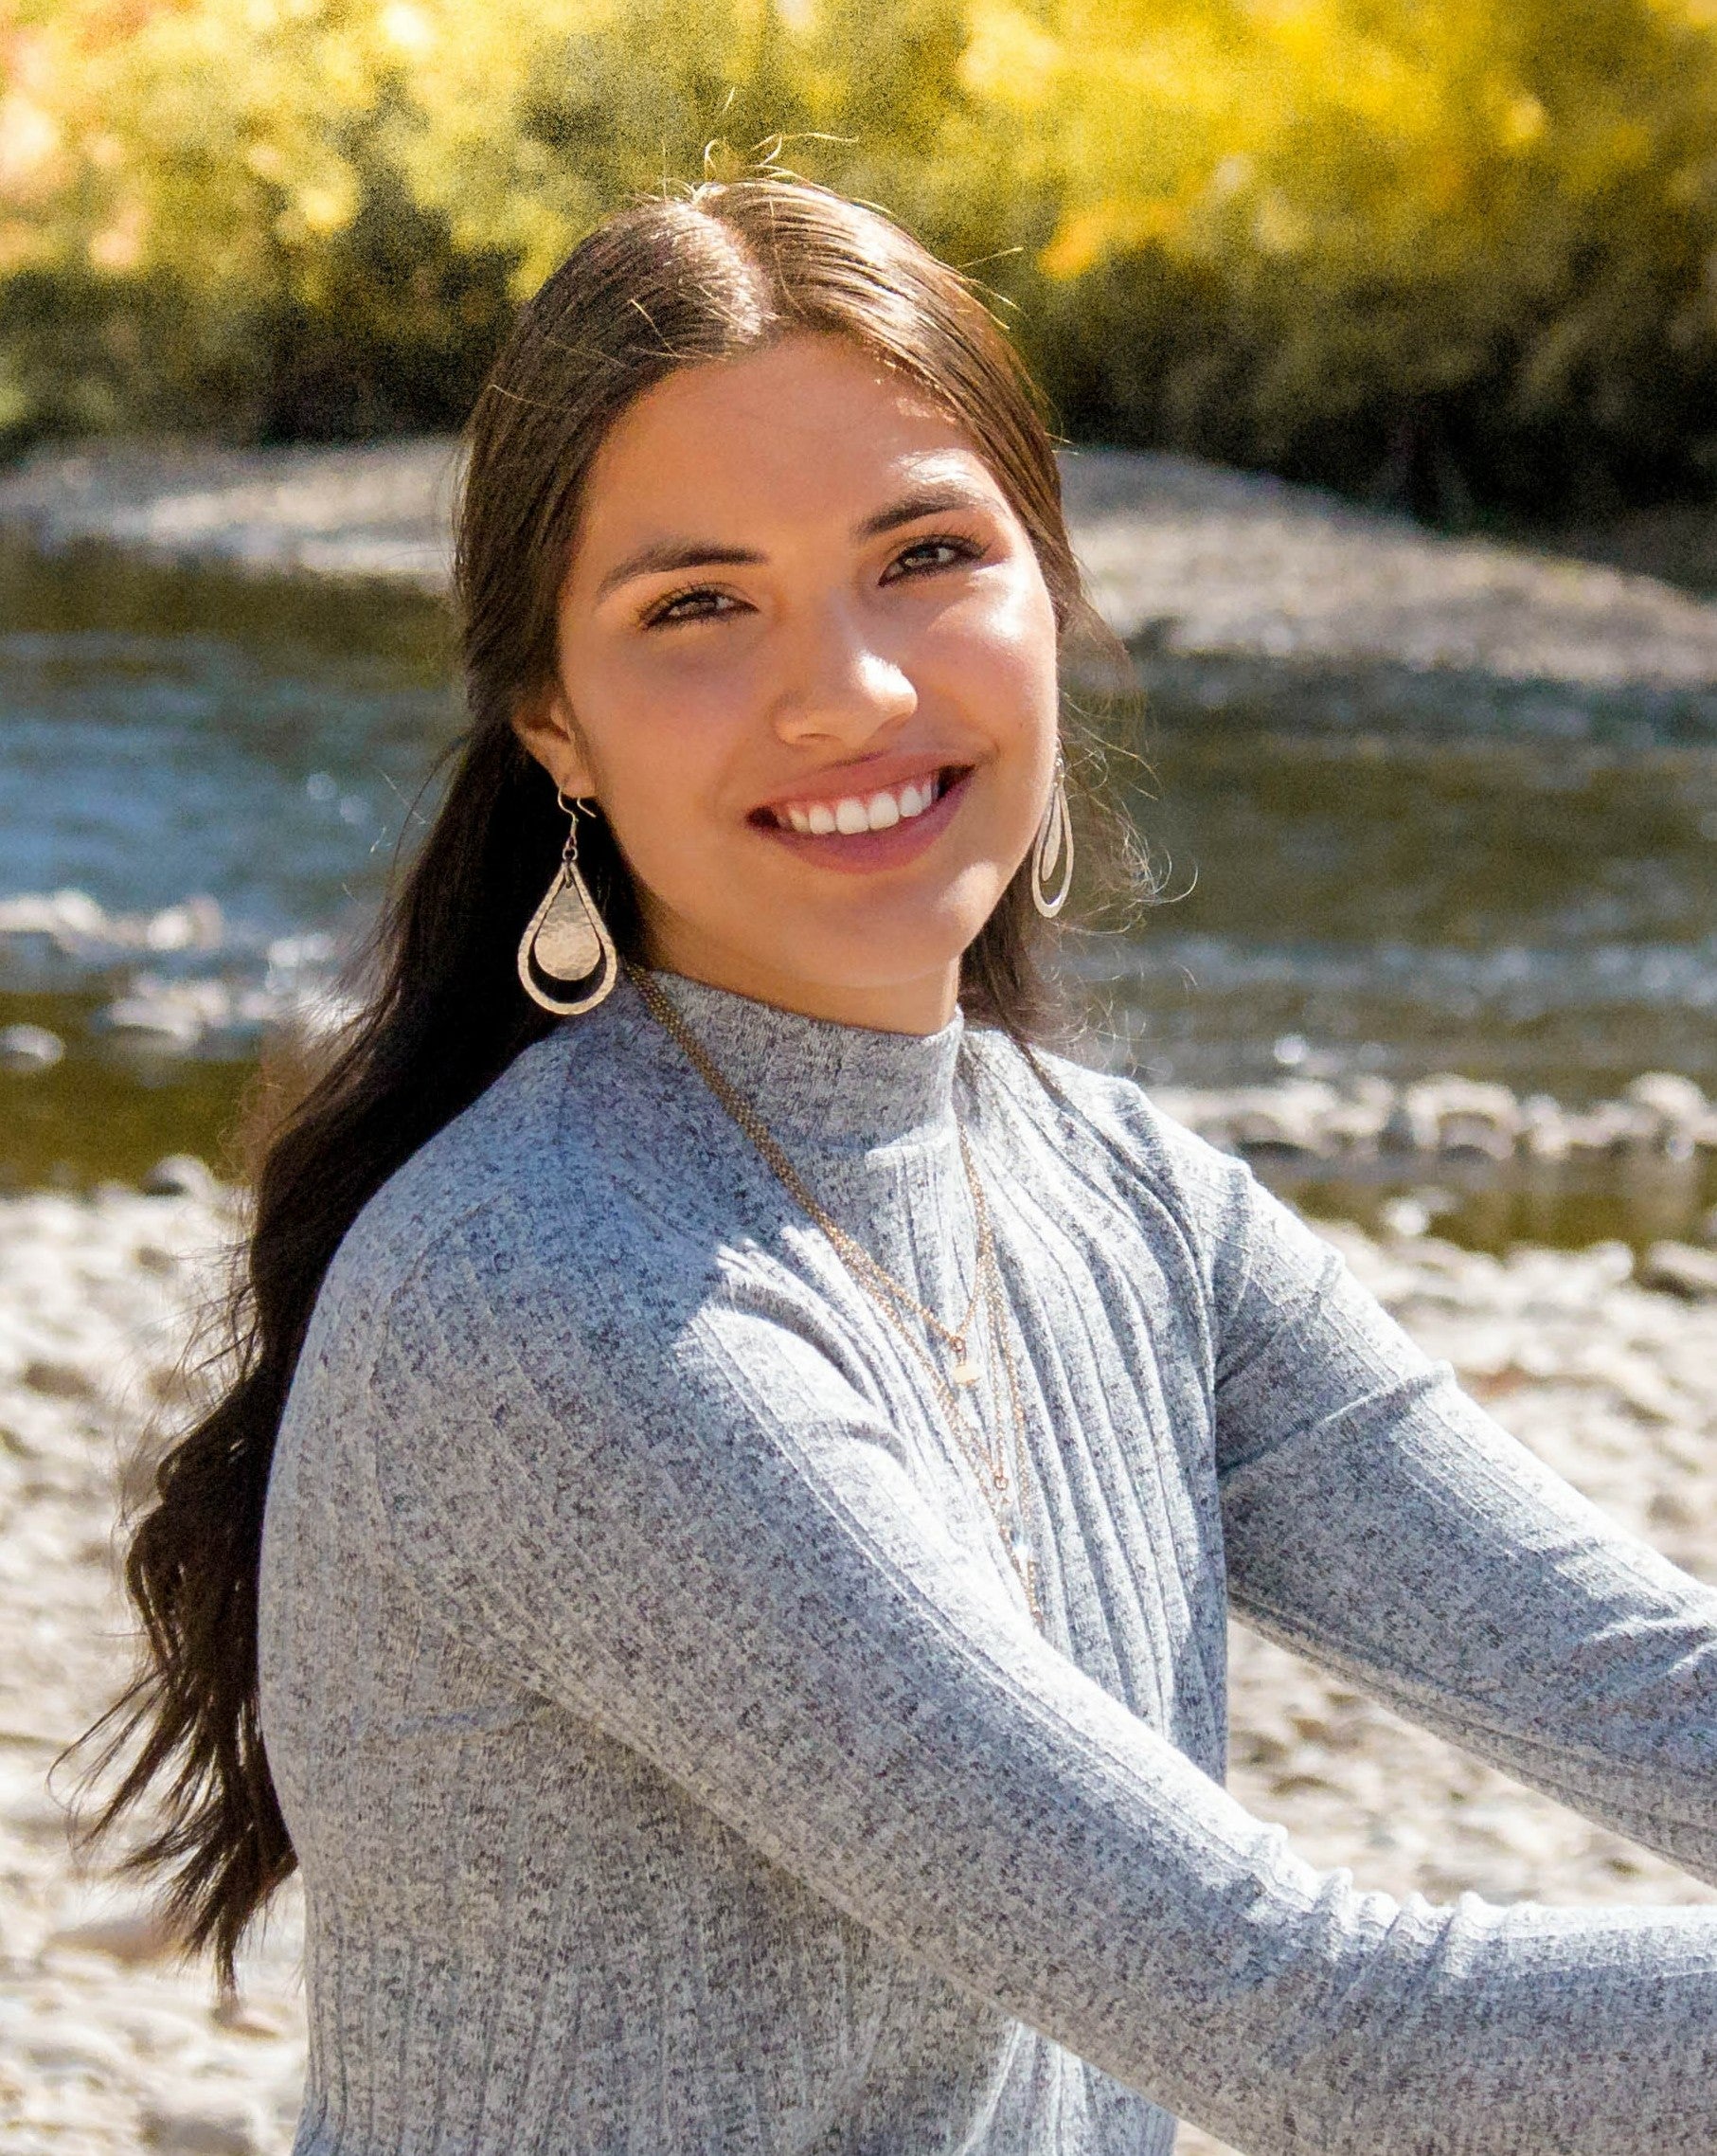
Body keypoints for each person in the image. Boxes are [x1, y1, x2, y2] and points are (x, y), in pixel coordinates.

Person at [76, 174, 1716, 2156]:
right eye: (697, 603)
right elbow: (1315, 2022)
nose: (843, 687)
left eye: (923, 552)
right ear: (553, 726)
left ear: (1049, 590)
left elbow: (1639, 1680)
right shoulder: (559, 1300)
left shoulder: (1112, 1192)